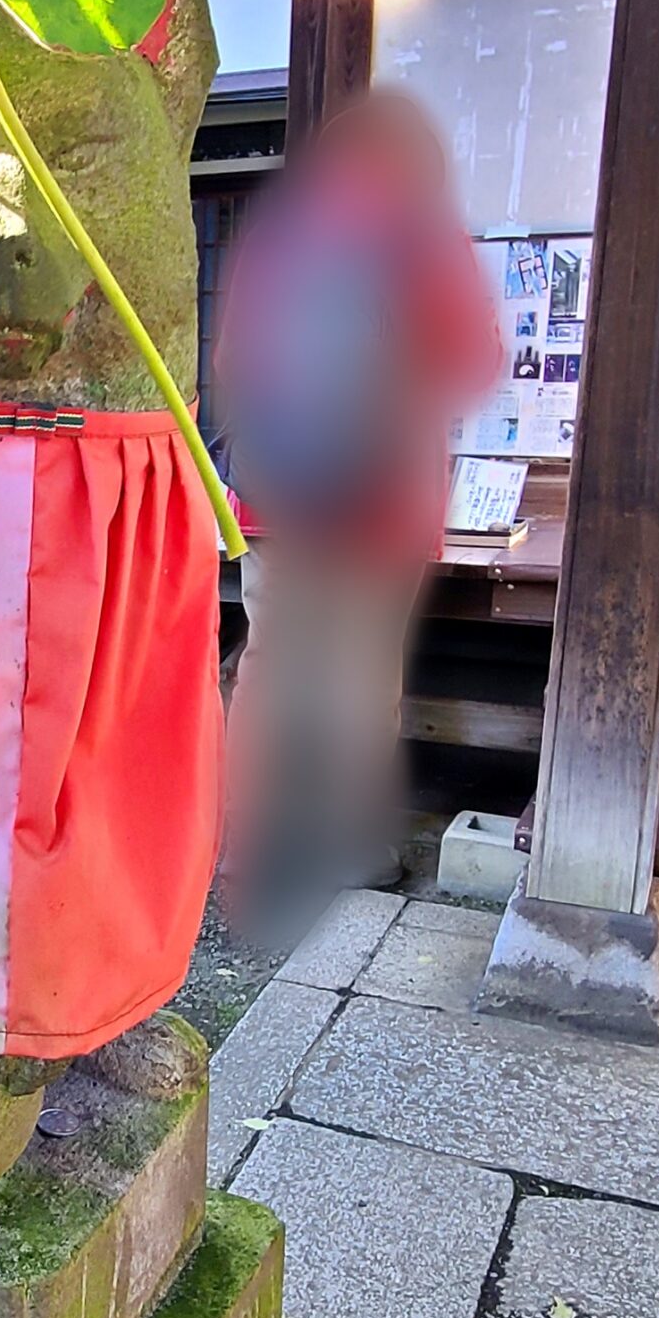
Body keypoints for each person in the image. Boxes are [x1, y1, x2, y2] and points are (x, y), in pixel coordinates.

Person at [217, 91, 500, 954]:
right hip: (385, 502)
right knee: (361, 669)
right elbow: (473, 365)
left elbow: (231, 366)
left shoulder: (277, 239)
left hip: (275, 499)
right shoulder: (427, 243)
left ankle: (238, 841)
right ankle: (347, 840)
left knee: (265, 663)